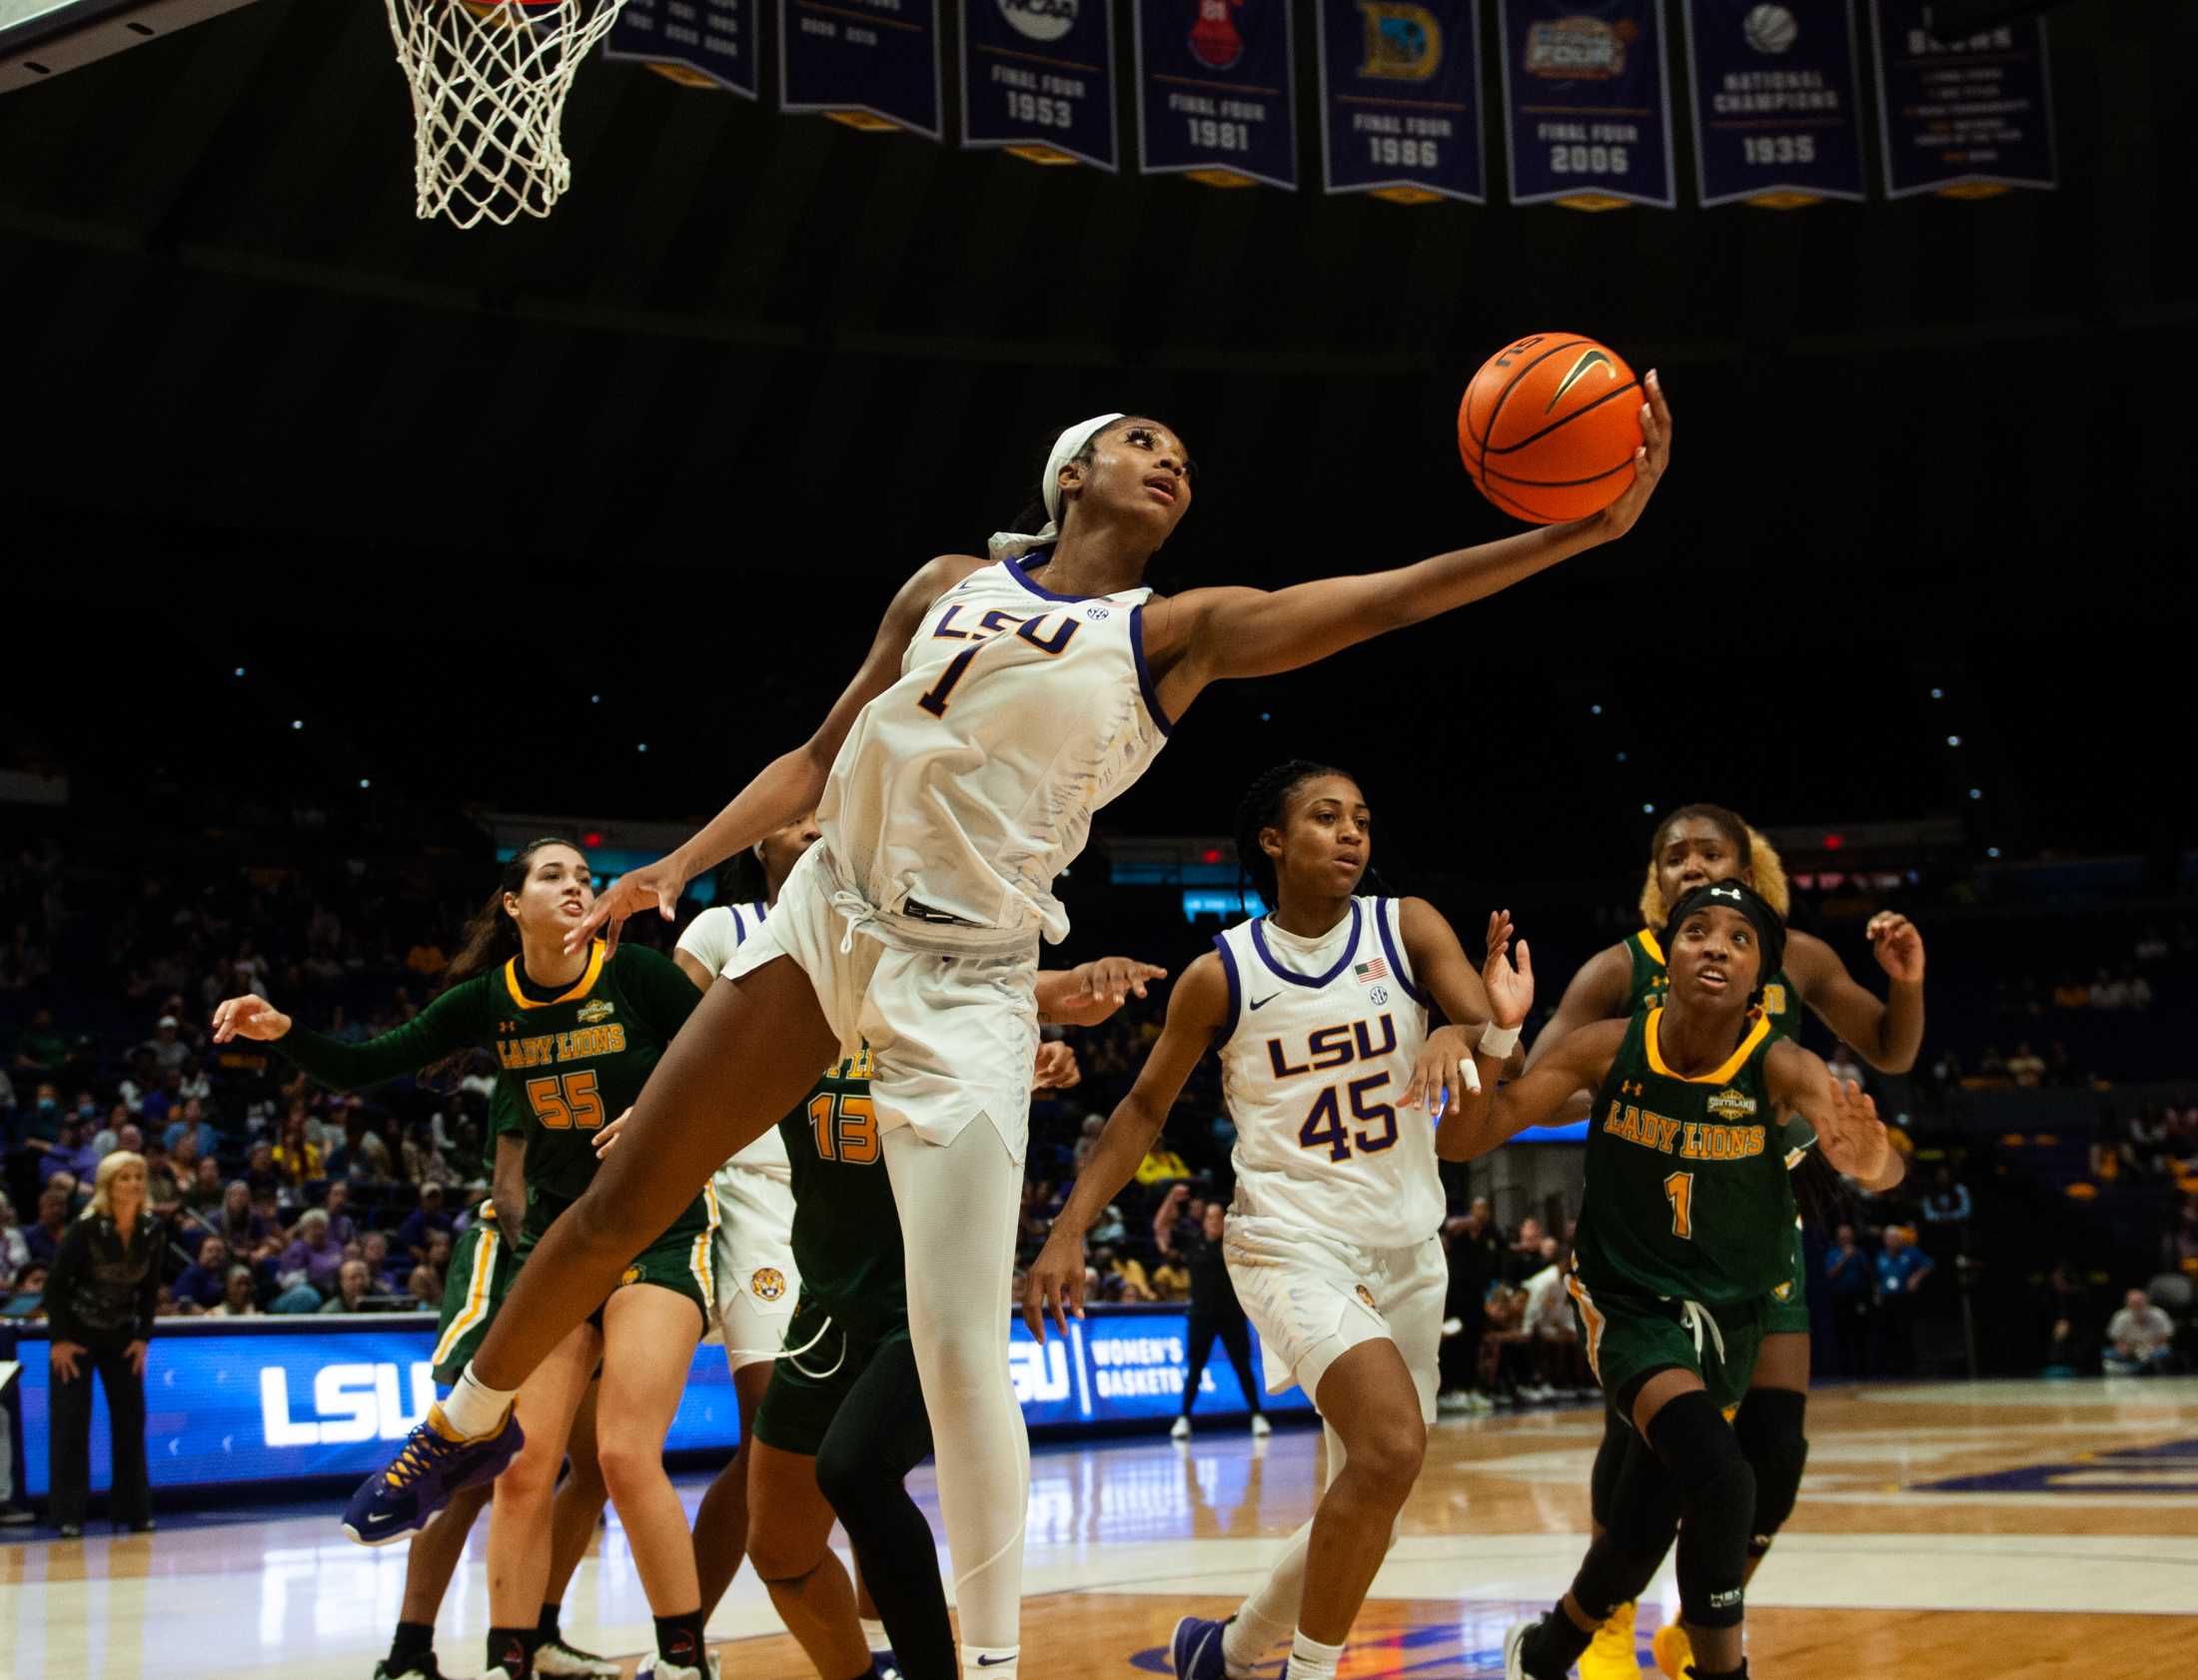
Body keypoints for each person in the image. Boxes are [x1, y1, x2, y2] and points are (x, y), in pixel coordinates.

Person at [360, 393, 1673, 1680]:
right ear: (1073, 476)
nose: (1170, 462)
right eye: (1141, 441)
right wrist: (679, 864)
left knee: (955, 1340)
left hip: (973, 977)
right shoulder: (943, 583)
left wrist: (1577, 535)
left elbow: (1383, 599)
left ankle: (987, 1665)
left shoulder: (1176, 633)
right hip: (834, 919)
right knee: (617, 1195)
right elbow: (817, 757)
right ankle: (465, 1421)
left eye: (1183, 457)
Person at [1025, 761, 1506, 1680]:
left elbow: (1478, 1020)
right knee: (1393, 1447)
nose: (1353, 833)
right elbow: (1139, 1111)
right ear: (1275, 842)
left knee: (1376, 1500)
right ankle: (1305, 1672)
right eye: (1327, 818)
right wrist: (1068, 1226)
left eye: (1362, 818)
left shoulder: (1405, 927)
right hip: (1289, 1245)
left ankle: (1231, 1653)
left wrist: (1456, 1029)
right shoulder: (1222, 975)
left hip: (1407, 1247)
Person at [213, 839, 720, 1680]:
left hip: (660, 1232)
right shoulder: (490, 1000)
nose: (574, 886)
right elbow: (367, 1064)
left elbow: (730, 1057)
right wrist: (286, 1032)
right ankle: (508, 1659)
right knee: (521, 1464)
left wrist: (665, 1111)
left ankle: (684, 1659)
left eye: (585, 879)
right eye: (553, 875)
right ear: (513, 906)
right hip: (560, 1247)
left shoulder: (638, 978)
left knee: (626, 1455)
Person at [669, 804, 1156, 1672]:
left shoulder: (919, 940)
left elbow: (1019, 994)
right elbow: (693, 1054)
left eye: (834, 813)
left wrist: (1057, 1007)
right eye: (800, 815)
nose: (820, 821)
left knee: (854, 1471)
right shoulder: (755, 956)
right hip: (827, 1296)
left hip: (924, 1295)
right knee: (777, 1546)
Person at [1434, 884, 1900, 1680]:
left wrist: (1867, 1163)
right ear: (1667, 958)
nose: (1715, 947)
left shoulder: (1783, 1067)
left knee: (1645, 1522)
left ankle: (1550, 1649)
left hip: (1735, 1309)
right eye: (1696, 932)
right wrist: (1501, 1030)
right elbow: (1462, 1140)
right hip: (1630, 1301)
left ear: (1764, 981)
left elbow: (1882, 1164)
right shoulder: (1607, 1047)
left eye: (1739, 940)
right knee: (1723, 1480)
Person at [45, 1150, 163, 1537]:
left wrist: (143, 1337)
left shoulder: (151, 1228)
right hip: (76, 1336)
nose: (132, 1184)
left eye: (138, 1176)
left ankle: (134, 1510)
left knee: (131, 1422)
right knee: (71, 1426)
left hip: (121, 1337)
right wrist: (59, 1339)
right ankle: (68, 1515)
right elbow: (56, 1285)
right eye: (124, 1177)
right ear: (108, 1185)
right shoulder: (87, 1227)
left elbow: (149, 1289)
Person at [1158, 1198, 1266, 1440]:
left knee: (1242, 1367)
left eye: (1218, 1218)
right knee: (1195, 1369)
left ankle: (1257, 1416)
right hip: (1201, 1317)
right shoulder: (1192, 1243)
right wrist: (1172, 1197)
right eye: (1210, 1217)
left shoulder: (1235, 1245)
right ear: (1203, 1221)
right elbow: (1160, 1229)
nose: (1214, 1222)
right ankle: (1184, 1419)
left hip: (1232, 1316)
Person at [1874, 1226, 1932, 1375]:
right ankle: (1892, 1368)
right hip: (1887, 1299)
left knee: (1906, 1332)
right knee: (1889, 1334)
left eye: (1897, 1238)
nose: (1894, 1241)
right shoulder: (1881, 1256)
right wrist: (1877, 1293)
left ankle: (1910, 1367)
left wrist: (1915, 1277)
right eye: (1891, 1239)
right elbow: (1878, 1277)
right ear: (1885, 1241)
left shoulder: (1911, 1252)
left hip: (1904, 1298)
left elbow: (1928, 1264)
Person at [1821, 1225, 1872, 1376]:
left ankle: (1863, 1370)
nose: (1845, 1238)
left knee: (1860, 1334)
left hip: (1858, 1297)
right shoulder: (1833, 1253)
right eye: (1842, 1235)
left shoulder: (1860, 1253)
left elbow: (1869, 1273)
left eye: (1848, 1235)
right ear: (1838, 1237)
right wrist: (1845, 1258)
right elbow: (1829, 1274)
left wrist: (1857, 1259)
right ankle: (1845, 1370)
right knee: (1842, 1334)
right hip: (1840, 1298)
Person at [2102, 1287, 2175, 1374]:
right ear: (2128, 1304)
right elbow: (2118, 1341)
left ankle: (2129, 1370)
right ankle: (2138, 1368)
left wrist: (2148, 1350)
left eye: (2140, 1303)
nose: (2137, 1306)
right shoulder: (2120, 1317)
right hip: (2131, 1351)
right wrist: (2128, 1350)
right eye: (2134, 1303)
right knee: (2107, 1353)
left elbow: (2163, 1339)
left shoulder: (2159, 1314)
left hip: (2152, 1350)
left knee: (2164, 1352)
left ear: (2146, 1302)